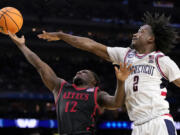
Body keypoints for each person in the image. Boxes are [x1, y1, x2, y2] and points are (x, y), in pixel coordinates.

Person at [38, 12, 180, 135]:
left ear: (151, 39)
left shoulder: (160, 60)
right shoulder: (125, 55)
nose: (135, 34)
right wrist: (62, 35)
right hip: (137, 125)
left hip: (158, 120)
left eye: (141, 31)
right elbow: (91, 45)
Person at [8, 32, 133, 135]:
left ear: (94, 81)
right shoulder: (60, 86)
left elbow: (117, 103)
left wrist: (121, 82)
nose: (79, 71)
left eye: (84, 72)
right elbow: (39, 65)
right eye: (79, 71)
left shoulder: (97, 94)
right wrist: (22, 46)